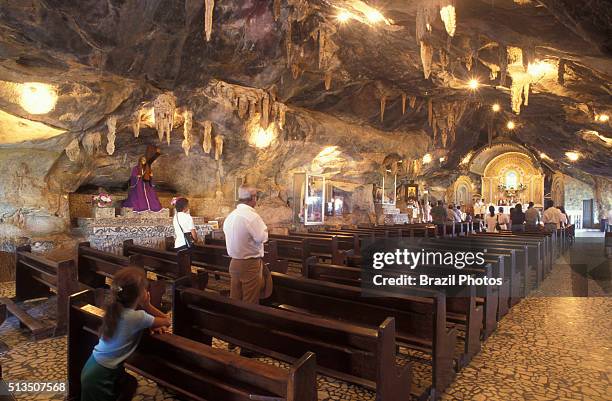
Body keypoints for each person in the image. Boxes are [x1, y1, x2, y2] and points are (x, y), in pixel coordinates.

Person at [80, 267, 170, 401]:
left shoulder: (116, 311)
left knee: (129, 384)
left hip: (93, 367)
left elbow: (132, 327)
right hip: (102, 374)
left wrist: (150, 326)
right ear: (139, 295)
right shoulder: (137, 317)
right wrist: (147, 305)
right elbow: (167, 321)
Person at [223, 186, 270, 305]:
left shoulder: (231, 216)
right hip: (249, 264)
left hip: (234, 263)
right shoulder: (252, 216)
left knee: (235, 299)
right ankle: (248, 323)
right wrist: (266, 230)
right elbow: (262, 238)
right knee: (250, 301)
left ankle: (234, 322)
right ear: (253, 198)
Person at [123, 145, 163, 212]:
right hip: (139, 184)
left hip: (146, 184)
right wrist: (137, 176)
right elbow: (133, 175)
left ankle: (151, 207)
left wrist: (151, 175)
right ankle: (142, 206)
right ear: (140, 160)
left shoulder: (147, 167)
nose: (144, 161)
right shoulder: (136, 168)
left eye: (145, 160)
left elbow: (149, 174)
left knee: (151, 195)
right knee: (139, 195)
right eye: (142, 160)